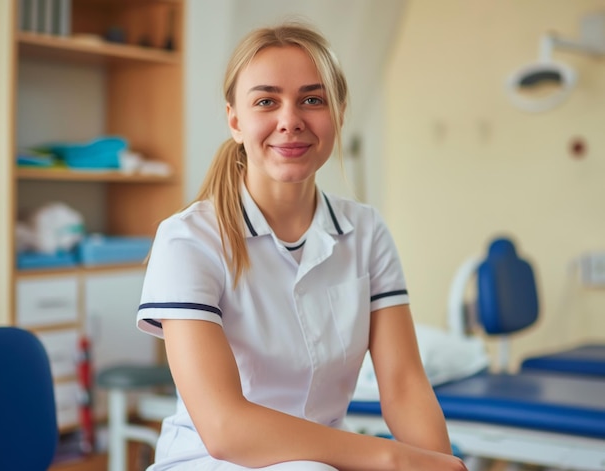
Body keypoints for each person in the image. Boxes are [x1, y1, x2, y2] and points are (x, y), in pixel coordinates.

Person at [137, 22, 466, 471]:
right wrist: (394, 458)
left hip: (325, 459)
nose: (290, 119)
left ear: (340, 113)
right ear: (235, 119)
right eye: (266, 101)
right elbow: (224, 427)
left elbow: (404, 384)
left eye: (312, 99)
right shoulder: (188, 240)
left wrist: (438, 463)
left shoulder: (365, 231)